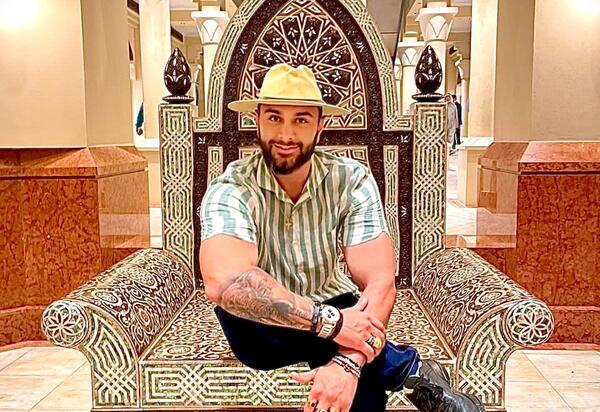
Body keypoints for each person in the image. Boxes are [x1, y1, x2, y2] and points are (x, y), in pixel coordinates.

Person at [199, 63, 484, 412]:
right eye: (274, 117)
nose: (286, 134)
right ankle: (407, 369)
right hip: (259, 331)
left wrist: (348, 361)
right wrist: (333, 325)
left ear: (320, 126)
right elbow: (226, 283)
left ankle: (398, 374)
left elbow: (380, 281)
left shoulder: (350, 179)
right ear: (256, 120)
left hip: (336, 300)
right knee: (253, 306)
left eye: (301, 119)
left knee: (360, 382)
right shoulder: (231, 188)